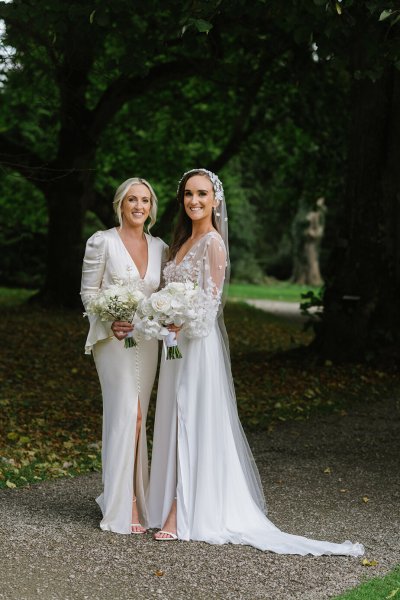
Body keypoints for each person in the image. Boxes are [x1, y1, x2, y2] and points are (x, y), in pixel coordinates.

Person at [146, 168, 364, 556]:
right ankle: (165, 501)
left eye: (201, 194)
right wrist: (162, 317)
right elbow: (168, 293)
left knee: (191, 418)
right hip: (173, 344)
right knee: (172, 417)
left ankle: (182, 511)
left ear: (215, 200)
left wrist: (179, 320)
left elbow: (210, 306)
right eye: (187, 195)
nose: (194, 201)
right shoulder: (180, 241)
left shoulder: (212, 243)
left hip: (196, 344)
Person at [80, 177, 167, 535]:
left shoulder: (160, 247)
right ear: (120, 204)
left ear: (151, 207)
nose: (138, 206)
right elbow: (88, 292)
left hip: (146, 342)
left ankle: (134, 496)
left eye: (145, 200)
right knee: (125, 414)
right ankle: (121, 505)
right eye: (132, 199)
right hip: (112, 342)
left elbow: (162, 295)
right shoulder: (102, 241)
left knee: (138, 416)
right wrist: (109, 317)